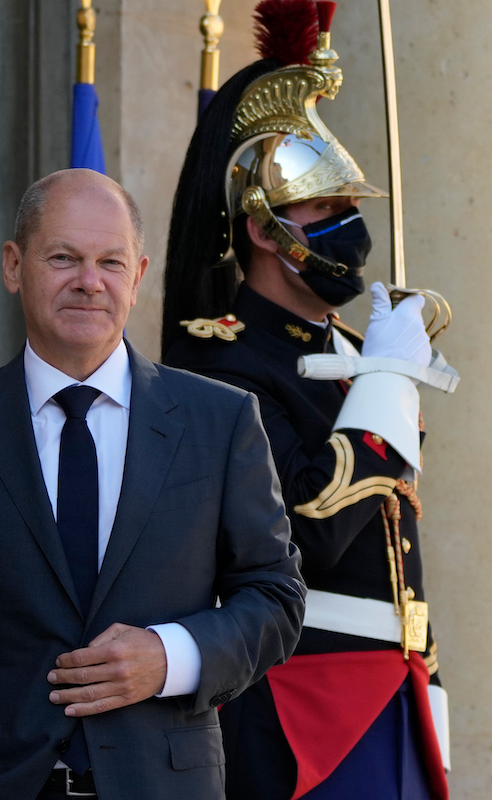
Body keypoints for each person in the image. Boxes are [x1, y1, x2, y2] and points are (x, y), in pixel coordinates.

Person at [0, 168, 306, 800]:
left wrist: (169, 655)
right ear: (14, 266)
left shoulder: (221, 420)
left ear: (139, 275)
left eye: (110, 262)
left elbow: (276, 598)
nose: (88, 282)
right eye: (63, 257)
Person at [162, 1, 450, 798]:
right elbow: (311, 528)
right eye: (326, 210)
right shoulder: (217, 362)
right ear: (264, 228)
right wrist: (390, 384)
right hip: (305, 702)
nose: (349, 228)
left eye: (350, 209)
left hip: (397, 692)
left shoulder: (357, 355)